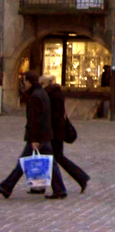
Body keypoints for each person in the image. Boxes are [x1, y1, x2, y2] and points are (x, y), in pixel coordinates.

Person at [0, 70, 68, 199]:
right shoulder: (42, 93)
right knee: (50, 162)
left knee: (23, 161)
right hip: (45, 135)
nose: (23, 84)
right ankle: (60, 189)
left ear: (29, 81)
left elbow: (35, 120)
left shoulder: (35, 96)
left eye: (24, 81)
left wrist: (34, 138)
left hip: (39, 137)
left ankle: (7, 186)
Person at [41, 75, 90, 194]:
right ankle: (41, 185)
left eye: (41, 84)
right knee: (56, 158)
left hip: (55, 132)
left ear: (46, 84)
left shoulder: (51, 95)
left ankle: (80, 178)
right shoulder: (56, 93)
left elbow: (53, 116)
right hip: (57, 131)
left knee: (57, 158)